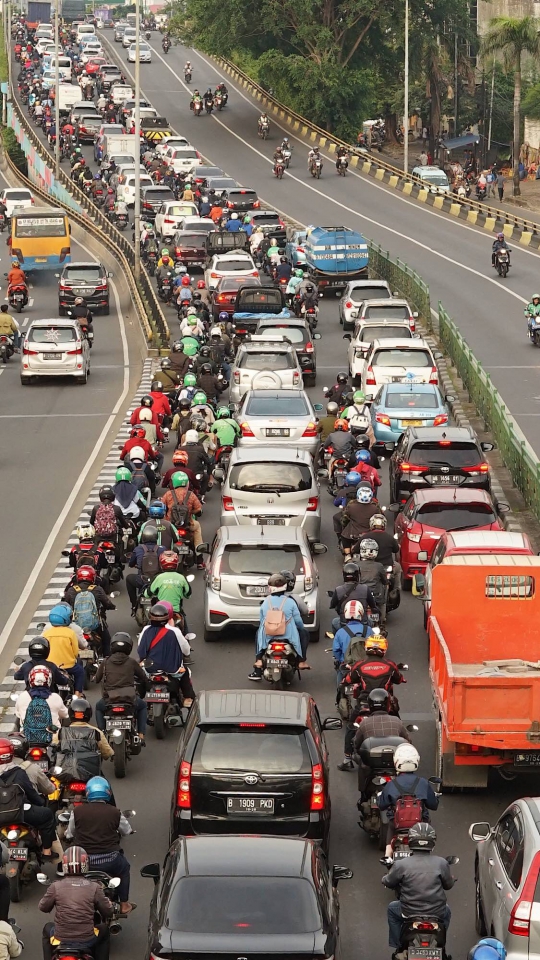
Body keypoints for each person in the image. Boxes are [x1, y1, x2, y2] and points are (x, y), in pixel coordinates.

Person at [64, 777, 136, 917]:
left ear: (88, 793)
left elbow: (70, 833)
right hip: (111, 861)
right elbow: (126, 831)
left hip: (84, 861)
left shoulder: (77, 812)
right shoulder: (115, 812)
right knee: (124, 868)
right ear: (107, 793)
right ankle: (124, 904)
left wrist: (68, 835)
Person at [382, 823, 455, 957]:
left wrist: (385, 878)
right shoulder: (441, 863)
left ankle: (398, 944)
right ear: (432, 842)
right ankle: (440, 942)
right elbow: (448, 885)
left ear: (411, 841)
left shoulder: (401, 864)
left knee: (392, 909)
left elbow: (388, 881)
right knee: (447, 911)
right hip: (437, 912)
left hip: (408, 912)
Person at [40, 845, 113, 960]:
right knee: (104, 930)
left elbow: (43, 907)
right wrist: (108, 903)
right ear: (86, 864)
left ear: (64, 865)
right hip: (87, 939)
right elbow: (108, 912)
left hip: (61, 937)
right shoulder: (94, 887)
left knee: (47, 928)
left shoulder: (56, 886)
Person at [378, 743, 439, 857]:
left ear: (396, 762)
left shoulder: (391, 784)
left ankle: (387, 855)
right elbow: (433, 805)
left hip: (397, 825)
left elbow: (382, 805)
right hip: (420, 825)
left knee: (390, 826)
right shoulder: (423, 783)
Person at [0, 738, 57, 859]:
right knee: (47, 815)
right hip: (21, 813)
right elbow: (31, 794)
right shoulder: (19, 772)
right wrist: (40, 802)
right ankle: (47, 852)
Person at [249, 573, 308, 680]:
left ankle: (258, 660)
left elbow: (262, 619)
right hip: (288, 636)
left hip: (268, 636)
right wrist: (299, 627)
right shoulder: (290, 602)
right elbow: (298, 621)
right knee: (304, 633)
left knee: (259, 633)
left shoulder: (266, 601)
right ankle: (301, 661)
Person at [352, 689, 412, 795]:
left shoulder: (365, 723)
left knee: (360, 760)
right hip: (394, 763)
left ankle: (363, 792)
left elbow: (357, 744)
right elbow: (408, 742)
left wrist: (356, 753)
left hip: (372, 765)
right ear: (387, 704)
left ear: (370, 705)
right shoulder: (396, 721)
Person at [94, 633, 147, 741]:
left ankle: (102, 734)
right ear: (129, 647)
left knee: (99, 708)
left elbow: (97, 680)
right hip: (129, 700)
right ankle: (141, 734)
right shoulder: (132, 662)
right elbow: (143, 677)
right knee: (142, 706)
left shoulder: (105, 662)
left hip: (109, 700)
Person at [138, 603, 195, 703]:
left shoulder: (146, 630)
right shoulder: (175, 631)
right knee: (185, 673)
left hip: (149, 669)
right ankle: (188, 698)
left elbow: (140, 650)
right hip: (172, 670)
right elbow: (186, 650)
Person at [63, 566, 115, 658]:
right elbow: (107, 603)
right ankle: (107, 660)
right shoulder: (97, 589)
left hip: (76, 625)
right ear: (93, 577)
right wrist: (111, 606)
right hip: (95, 625)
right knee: (106, 640)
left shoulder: (71, 590)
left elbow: (66, 606)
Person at [15, 665, 69, 744]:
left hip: (28, 738)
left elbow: (18, 714)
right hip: (51, 738)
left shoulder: (22, 696)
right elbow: (65, 715)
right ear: (49, 680)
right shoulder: (55, 697)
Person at [42, 603, 85, 696]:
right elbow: (75, 653)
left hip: (50, 666)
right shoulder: (71, 633)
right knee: (80, 672)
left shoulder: (46, 633)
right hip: (69, 666)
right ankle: (78, 693)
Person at [356, 514, 402, 595]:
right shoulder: (389, 537)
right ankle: (396, 589)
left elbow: (355, 550)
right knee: (398, 568)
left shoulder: (365, 537)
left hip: (369, 566)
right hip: (387, 566)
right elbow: (396, 550)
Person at [329, 561, 380, 631]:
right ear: (358, 575)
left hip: (344, 624)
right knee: (372, 622)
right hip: (363, 623)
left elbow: (332, 605)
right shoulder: (365, 588)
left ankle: (339, 638)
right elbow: (373, 605)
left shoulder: (338, 590)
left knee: (334, 622)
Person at [332, 599, 373, 685]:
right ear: (361, 613)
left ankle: (341, 694)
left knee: (340, 677)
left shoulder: (340, 632)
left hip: (349, 667)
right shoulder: (368, 630)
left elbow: (336, 651)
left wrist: (343, 660)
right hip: (366, 667)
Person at [341, 487, 380, 553]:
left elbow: (345, 518)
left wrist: (344, 524)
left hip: (353, 534)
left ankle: (347, 555)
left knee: (344, 536)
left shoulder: (351, 506)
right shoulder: (374, 508)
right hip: (369, 534)